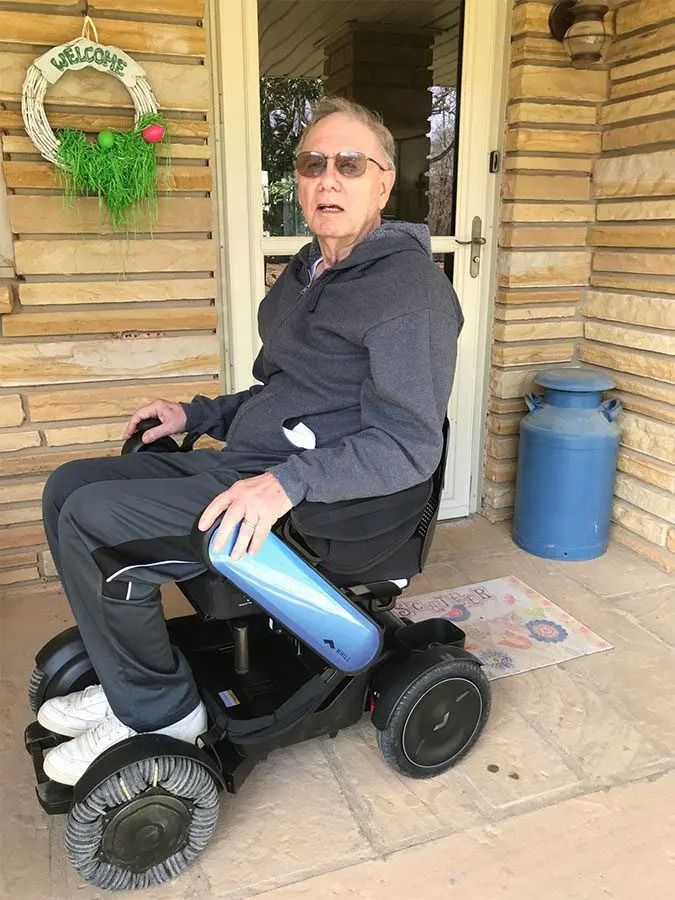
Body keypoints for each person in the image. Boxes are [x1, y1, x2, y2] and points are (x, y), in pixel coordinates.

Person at [37, 96, 463, 785]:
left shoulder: (408, 293)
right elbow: (280, 395)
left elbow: (410, 444)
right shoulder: (306, 273)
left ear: (383, 182)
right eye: (312, 164)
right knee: (68, 487)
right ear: (296, 181)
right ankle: (130, 681)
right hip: (252, 468)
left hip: (318, 503)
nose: (328, 179)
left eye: (350, 165)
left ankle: (161, 713)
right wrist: (196, 415)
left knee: (96, 523)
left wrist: (288, 483)